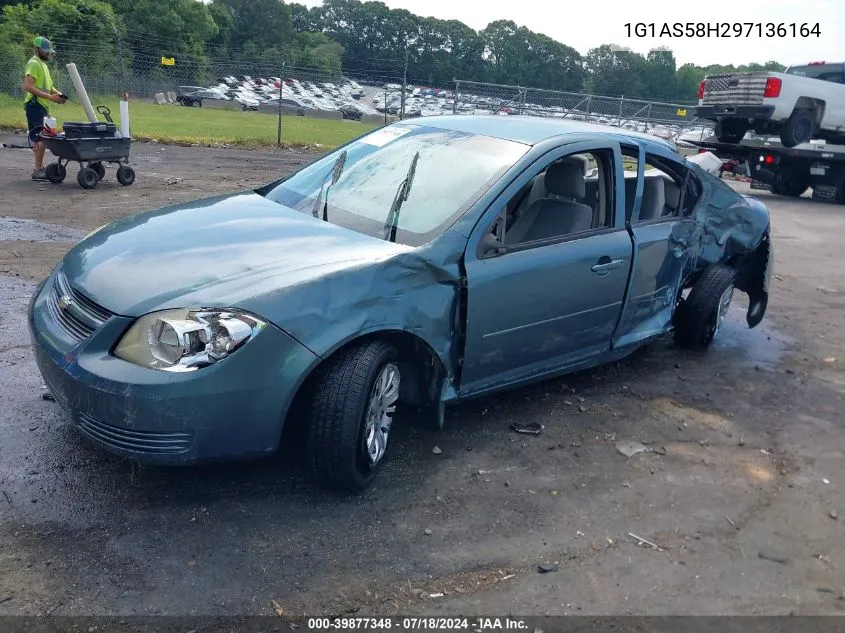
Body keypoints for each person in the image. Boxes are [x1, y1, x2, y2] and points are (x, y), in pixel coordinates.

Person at [23, 36, 67, 181]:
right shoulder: (34, 63)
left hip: (41, 105)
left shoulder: (43, 65)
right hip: (35, 105)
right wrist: (50, 97)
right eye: (45, 51)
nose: (48, 54)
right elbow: (28, 86)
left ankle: (39, 168)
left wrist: (58, 94)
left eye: (48, 51)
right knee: (40, 137)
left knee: (44, 136)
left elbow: (48, 86)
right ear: (36, 49)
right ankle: (37, 169)